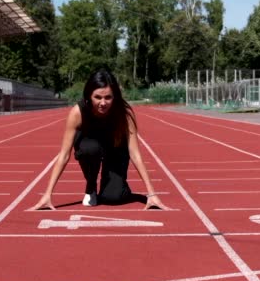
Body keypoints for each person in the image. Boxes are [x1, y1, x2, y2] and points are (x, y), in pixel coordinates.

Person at [31, 70, 170, 210]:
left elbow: (135, 154)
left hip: (115, 148)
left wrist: (151, 194)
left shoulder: (124, 113)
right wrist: (47, 194)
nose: (103, 103)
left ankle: (119, 186)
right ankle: (91, 187)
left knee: (113, 198)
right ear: (89, 96)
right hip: (91, 146)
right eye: (97, 97)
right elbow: (64, 155)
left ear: (115, 97)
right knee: (90, 149)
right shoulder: (78, 113)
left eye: (108, 97)